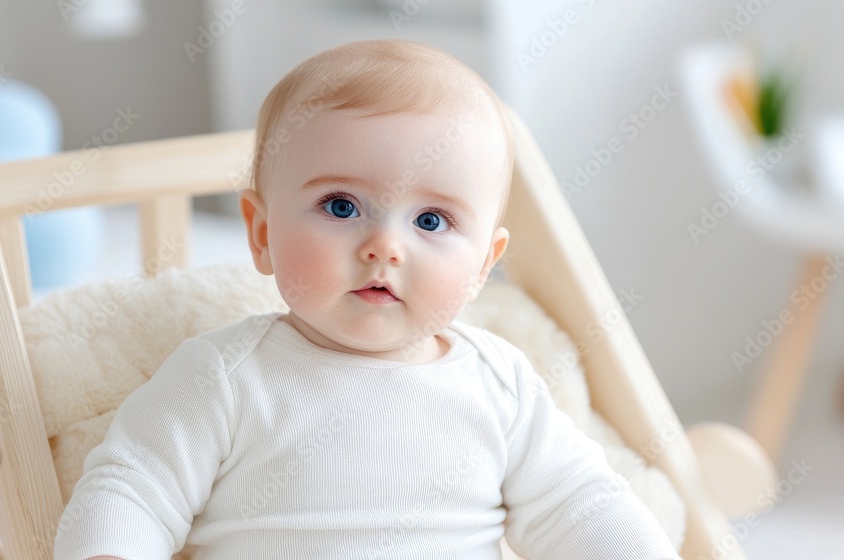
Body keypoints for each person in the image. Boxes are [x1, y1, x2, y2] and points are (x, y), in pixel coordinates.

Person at [54, 39, 681, 560]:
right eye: (341, 206)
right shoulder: (224, 375)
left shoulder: (501, 385)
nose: (384, 247)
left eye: (431, 221)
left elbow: (579, 501)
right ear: (264, 234)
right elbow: (134, 486)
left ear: (485, 266)